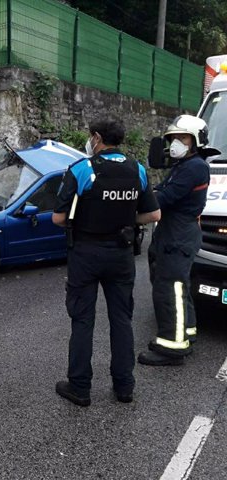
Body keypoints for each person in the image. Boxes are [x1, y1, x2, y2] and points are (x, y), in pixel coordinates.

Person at [52, 118, 161, 406]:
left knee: (83, 320)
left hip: (86, 254)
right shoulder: (136, 169)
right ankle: (124, 387)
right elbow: (153, 215)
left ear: (97, 138)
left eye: (91, 136)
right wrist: (125, 220)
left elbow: (58, 218)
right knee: (121, 320)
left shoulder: (82, 169)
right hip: (121, 254)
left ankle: (80, 388)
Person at [138, 115, 212, 366]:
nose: (175, 143)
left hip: (178, 234)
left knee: (169, 289)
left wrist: (139, 200)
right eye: (173, 139)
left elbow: (165, 197)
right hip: (176, 232)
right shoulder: (185, 165)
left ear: (195, 141)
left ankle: (172, 345)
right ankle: (186, 332)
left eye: (182, 138)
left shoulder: (194, 167)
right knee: (179, 288)